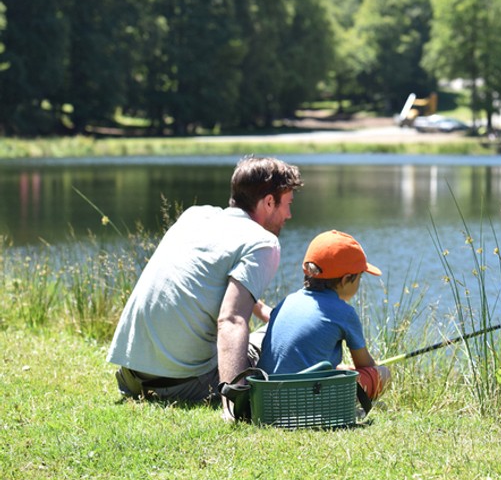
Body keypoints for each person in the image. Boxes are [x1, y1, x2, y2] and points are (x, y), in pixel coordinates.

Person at [107, 155, 303, 413]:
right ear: (269, 202)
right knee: (284, 332)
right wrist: (233, 404)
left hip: (132, 378)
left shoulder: (195, 216)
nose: (289, 214)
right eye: (287, 204)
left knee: (271, 325)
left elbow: (205, 281)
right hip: (184, 386)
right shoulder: (263, 242)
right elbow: (231, 320)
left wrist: (263, 310)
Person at [256, 230, 391, 403]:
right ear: (346, 279)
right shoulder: (345, 313)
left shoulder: (287, 301)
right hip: (307, 400)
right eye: (359, 277)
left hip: (266, 397)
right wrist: (374, 368)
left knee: (340, 369)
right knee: (384, 374)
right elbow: (365, 366)